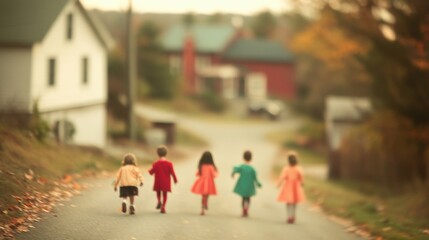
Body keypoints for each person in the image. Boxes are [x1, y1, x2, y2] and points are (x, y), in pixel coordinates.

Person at [277, 152, 305, 224]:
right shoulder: (298, 168)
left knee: (289, 202)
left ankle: (289, 216)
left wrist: (279, 183)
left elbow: (282, 177)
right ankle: (293, 215)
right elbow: (301, 177)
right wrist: (302, 183)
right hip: (296, 187)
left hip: (288, 187)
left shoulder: (286, 169)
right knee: (294, 202)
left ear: (288, 161)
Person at [231, 150, 262, 217]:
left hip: (242, 185)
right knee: (248, 198)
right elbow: (255, 177)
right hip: (249, 186)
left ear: (243, 157)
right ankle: (246, 208)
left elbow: (236, 170)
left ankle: (243, 209)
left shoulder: (242, 167)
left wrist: (233, 173)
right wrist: (258, 183)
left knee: (243, 198)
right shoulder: (252, 169)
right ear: (251, 158)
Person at [148, 145, 178, 214]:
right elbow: (172, 173)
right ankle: (163, 207)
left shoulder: (156, 163)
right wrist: (175, 179)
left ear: (158, 154)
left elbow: (151, 172)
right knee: (165, 194)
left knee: (158, 192)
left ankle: (159, 201)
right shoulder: (169, 164)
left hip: (158, 181)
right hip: (166, 182)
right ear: (166, 153)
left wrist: (148, 170)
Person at [191, 151, 218, 215]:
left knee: (203, 196)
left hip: (202, 182)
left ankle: (202, 209)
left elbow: (198, 174)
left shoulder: (201, 166)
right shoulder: (211, 167)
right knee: (207, 194)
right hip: (209, 182)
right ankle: (206, 203)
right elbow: (214, 175)